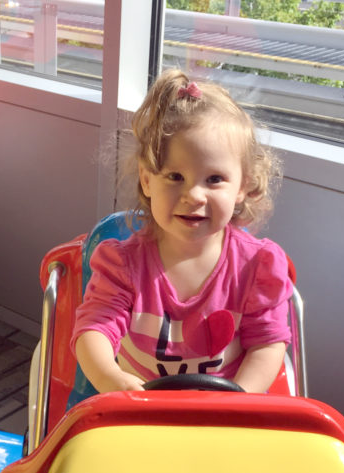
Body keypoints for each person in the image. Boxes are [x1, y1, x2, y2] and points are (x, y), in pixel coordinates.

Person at [72, 70, 293, 394]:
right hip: (140, 410)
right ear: (147, 181)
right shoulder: (123, 266)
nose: (194, 195)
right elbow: (95, 328)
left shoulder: (257, 267)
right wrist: (109, 377)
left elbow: (267, 345)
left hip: (224, 416)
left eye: (214, 179)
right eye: (175, 176)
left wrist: (238, 403)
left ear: (244, 185)